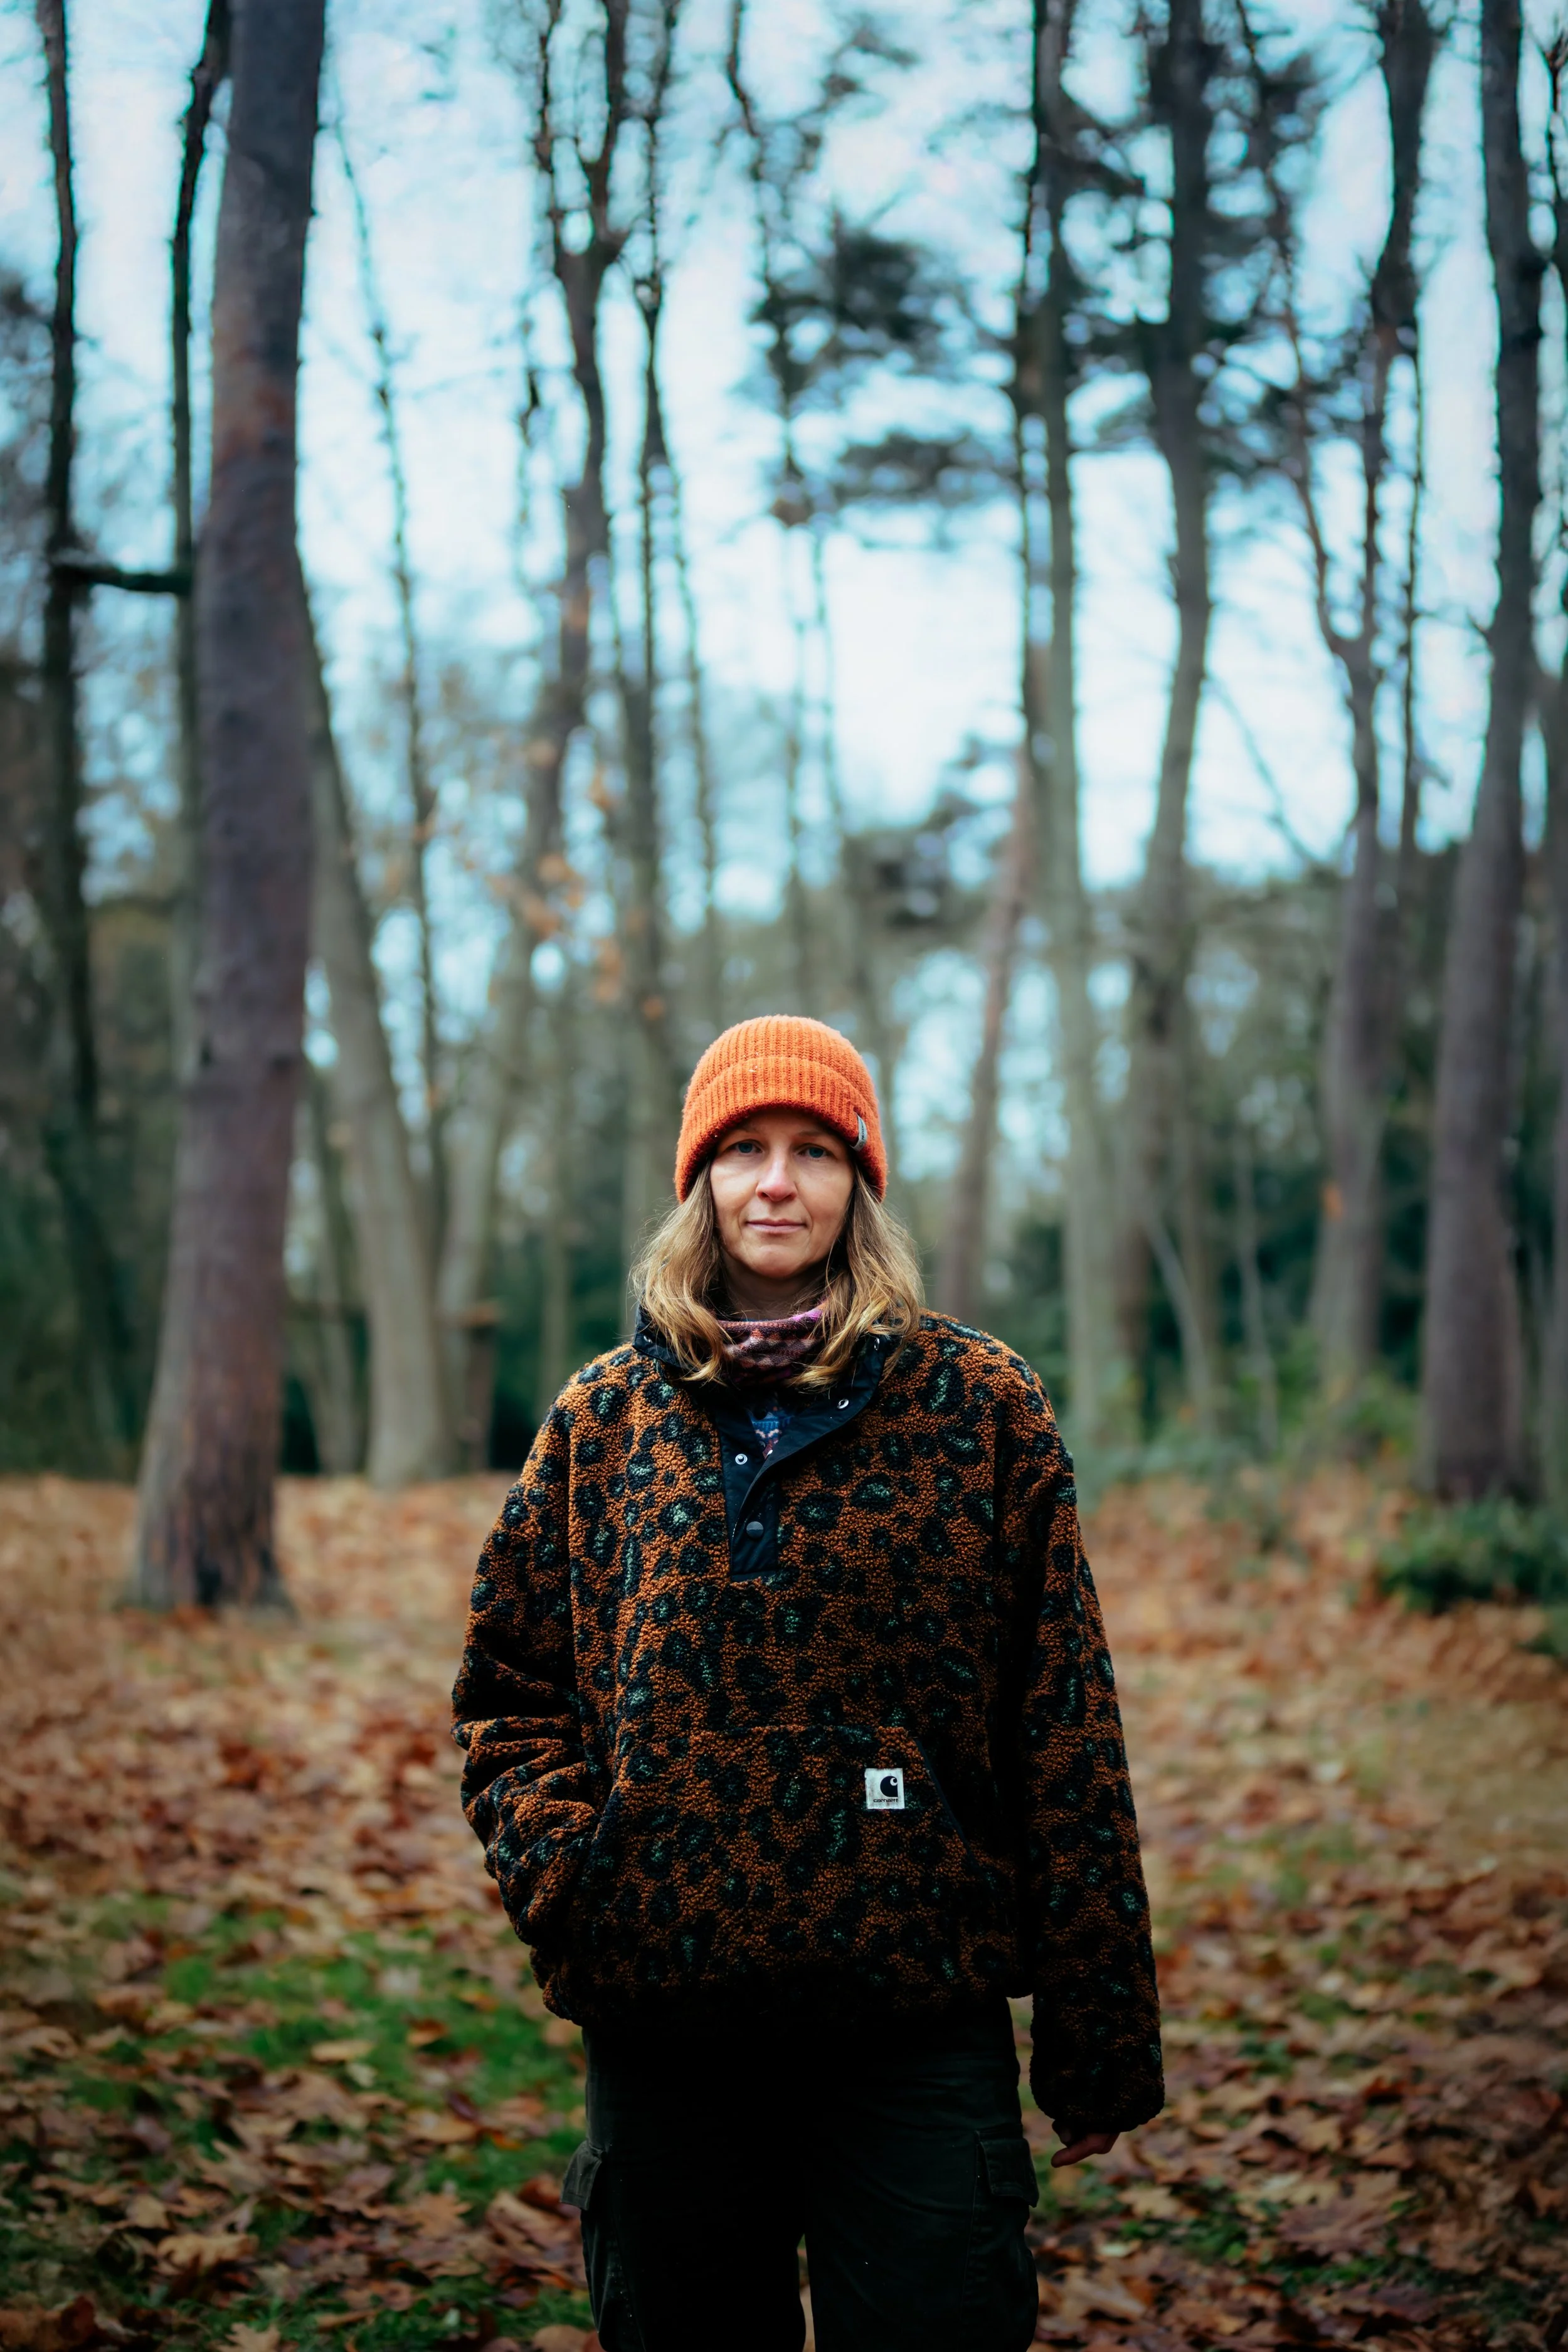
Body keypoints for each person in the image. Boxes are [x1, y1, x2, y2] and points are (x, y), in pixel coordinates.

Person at [453, 1014, 1162, 2352]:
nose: (775, 1182)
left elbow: (1060, 1720)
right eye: (742, 1152)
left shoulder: (978, 1406)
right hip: (667, 2026)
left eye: (810, 1152)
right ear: (700, 1184)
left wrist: (1099, 2028)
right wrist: (579, 1875)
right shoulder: (600, 1423)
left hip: (912, 2023)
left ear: (857, 1182)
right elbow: (506, 1691)